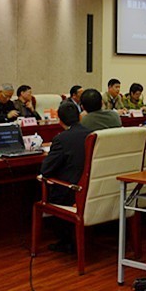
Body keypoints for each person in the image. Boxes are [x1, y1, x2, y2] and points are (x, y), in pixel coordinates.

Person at [40, 101, 92, 253]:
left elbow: (45, 169)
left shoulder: (61, 139)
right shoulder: (92, 134)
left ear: (60, 120)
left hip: (71, 192)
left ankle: (65, 240)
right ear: (79, 117)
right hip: (89, 189)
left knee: (45, 186)